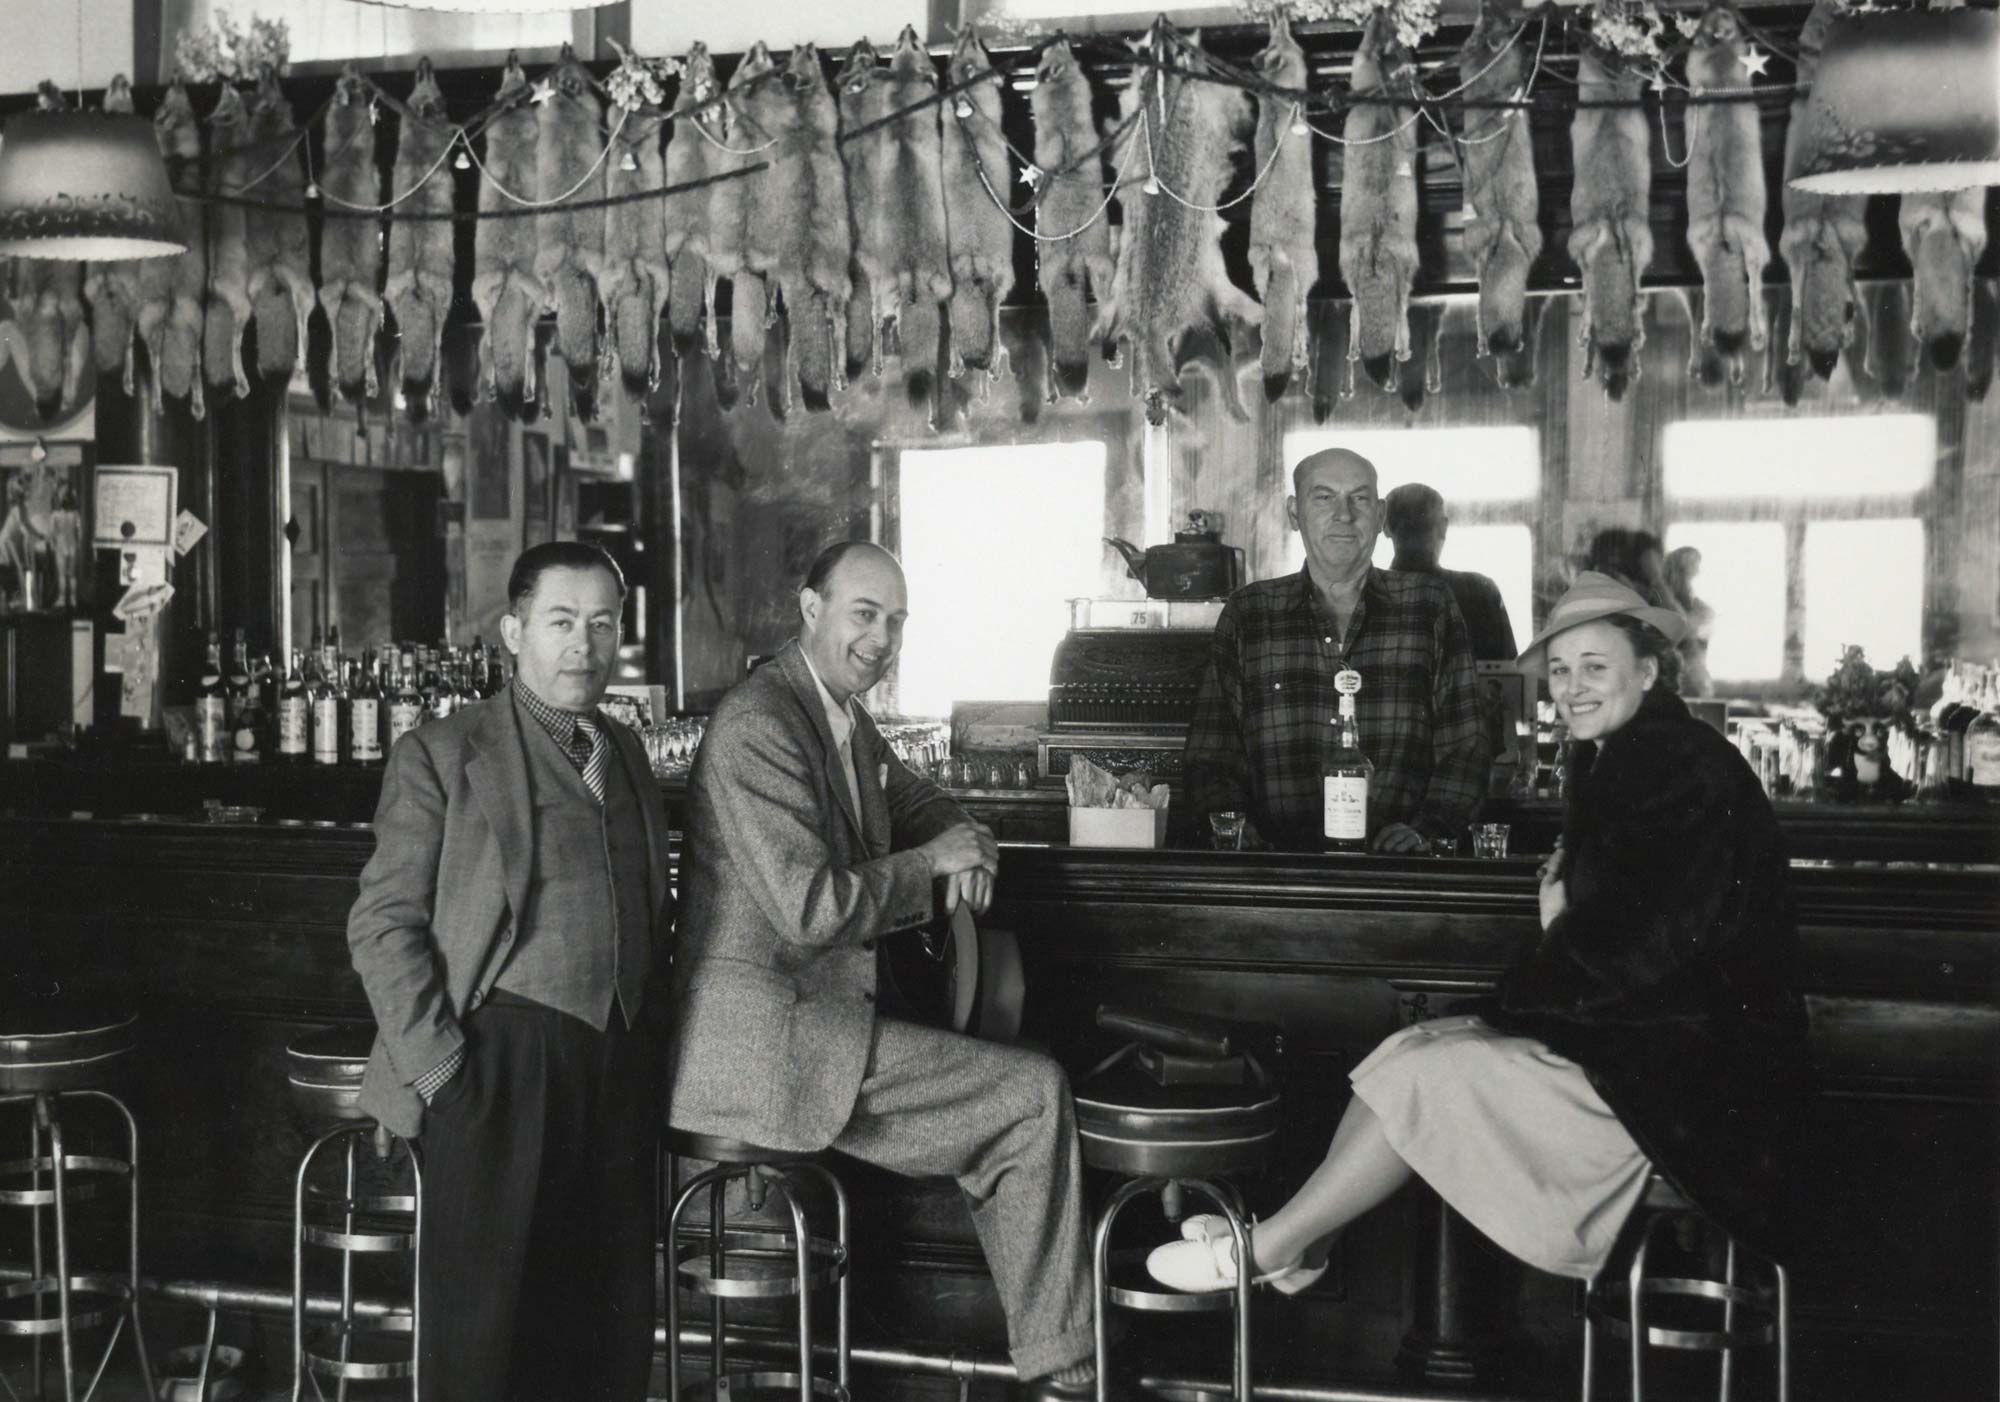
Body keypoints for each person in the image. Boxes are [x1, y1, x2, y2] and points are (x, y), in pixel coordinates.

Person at [1147, 572, 1811, 1295]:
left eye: (1595, 668)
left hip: (1694, 1100)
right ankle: (1302, 1246)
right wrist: (1553, 946)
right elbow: (1623, 939)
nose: (1573, 688)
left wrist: (1553, 938)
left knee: (1427, 1072)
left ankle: (1265, 1251)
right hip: (1651, 1059)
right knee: (1408, 1049)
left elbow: (1633, 951)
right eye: (1562, 670)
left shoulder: (1675, 766)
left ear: (1648, 672)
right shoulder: (1630, 754)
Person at [666, 541, 1099, 1399]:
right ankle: (1064, 1373)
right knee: (1032, 1094)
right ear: (810, 608)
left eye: (896, 621)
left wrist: (965, 837)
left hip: (818, 1027)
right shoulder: (760, 722)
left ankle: (1056, 1357)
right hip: (766, 1052)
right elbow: (812, 909)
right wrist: (935, 864)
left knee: (1024, 1088)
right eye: (864, 614)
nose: (881, 639)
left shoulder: (837, 713)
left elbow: (914, 797)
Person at [347, 541, 674, 1402]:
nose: (584, 645)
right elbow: (381, 924)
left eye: (602, 623)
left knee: (606, 1330)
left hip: (616, 1066)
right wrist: (445, 1075)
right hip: (499, 1067)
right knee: (488, 1336)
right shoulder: (441, 753)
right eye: (561, 622)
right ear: (514, 631)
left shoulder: (626, 752)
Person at [1185, 448, 1491, 852]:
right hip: (1276, 872)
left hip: (1398, 871)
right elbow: (1212, 756)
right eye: (1324, 497)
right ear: (1294, 513)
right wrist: (1235, 832)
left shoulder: (1429, 605)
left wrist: (1427, 830)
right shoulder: (1250, 613)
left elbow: (1467, 747)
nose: (1344, 514)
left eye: (1359, 498)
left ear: (1380, 515)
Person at [1383, 482, 1518, 661]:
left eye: (1420, 524)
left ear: (1386, 527)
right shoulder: (1479, 591)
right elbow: (1507, 672)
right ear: (1442, 528)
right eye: (1411, 525)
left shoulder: (1367, 594)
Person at [1662, 545, 1716, 697]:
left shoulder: (1702, 609)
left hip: (1694, 680)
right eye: (1680, 573)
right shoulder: (1660, 603)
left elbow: (1689, 631)